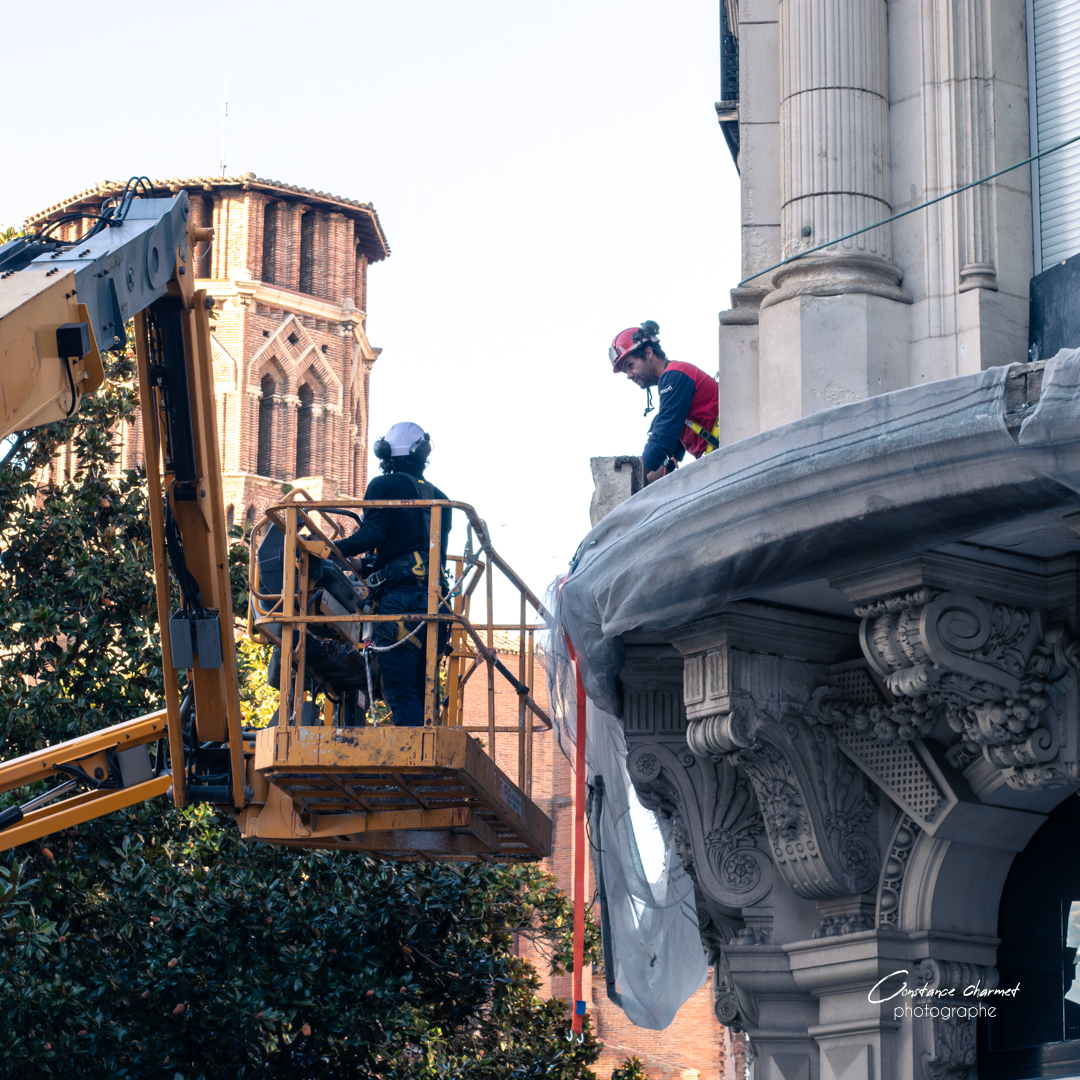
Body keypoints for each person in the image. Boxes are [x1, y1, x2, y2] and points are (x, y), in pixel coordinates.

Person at [335, 421, 451, 727]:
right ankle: (428, 753)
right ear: (421, 455)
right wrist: (369, 567)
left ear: (386, 454)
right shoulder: (442, 499)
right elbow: (422, 556)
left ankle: (415, 761)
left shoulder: (383, 486)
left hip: (401, 604)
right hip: (436, 605)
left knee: (399, 689)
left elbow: (371, 536)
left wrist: (329, 548)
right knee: (422, 691)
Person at [609, 320, 720, 484]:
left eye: (630, 365)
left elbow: (663, 435)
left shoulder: (675, 375)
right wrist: (643, 486)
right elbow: (670, 452)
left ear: (648, 353)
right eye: (626, 371)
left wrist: (633, 479)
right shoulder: (674, 381)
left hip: (730, 449)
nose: (629, 375)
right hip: (723, 455)